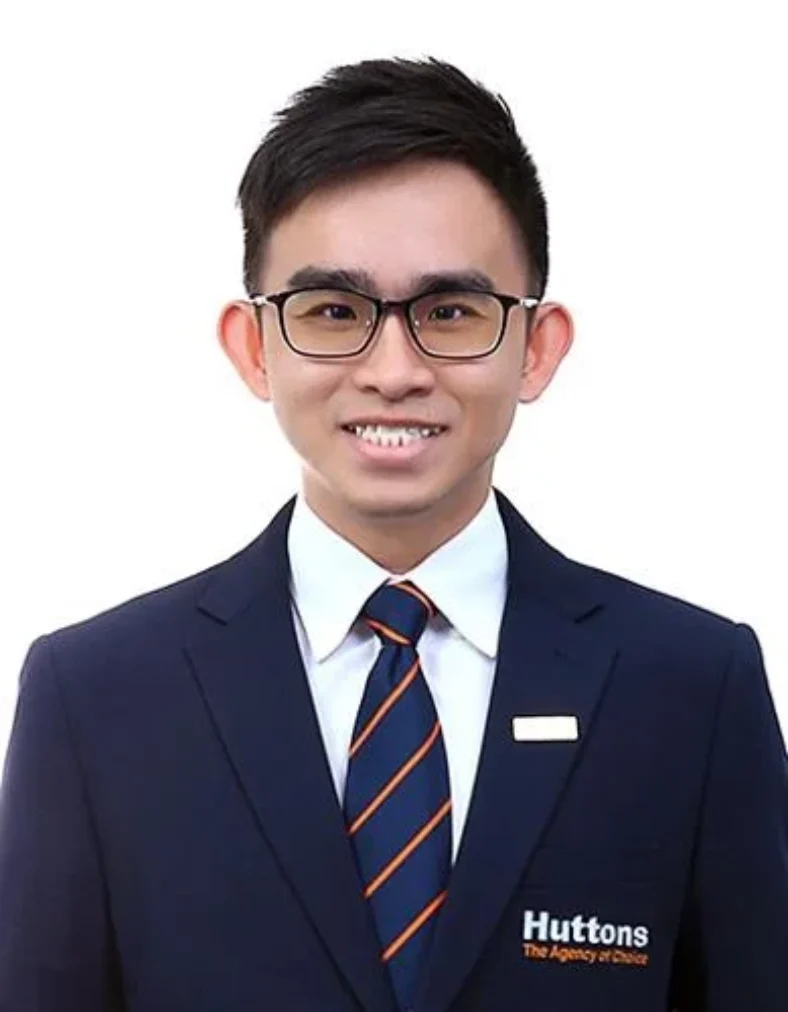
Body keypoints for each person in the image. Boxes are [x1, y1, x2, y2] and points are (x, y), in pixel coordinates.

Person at [0, 55, 786, 1012]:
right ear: (254, 347)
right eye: (334, 312)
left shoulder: (692, 689)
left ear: (536, 347)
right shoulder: (97, 699)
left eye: (450, 312)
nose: (394, 370)